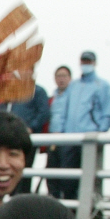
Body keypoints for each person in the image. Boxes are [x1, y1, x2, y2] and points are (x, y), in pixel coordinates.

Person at [48, 51, 110, 200]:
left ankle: (89, 209)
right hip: (69, 139)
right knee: (67, 178)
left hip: (89, 138)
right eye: (84, 61)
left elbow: (107, 113)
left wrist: (99, 131)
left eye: (89, 61)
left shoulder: (102, 86)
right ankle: (70, 209)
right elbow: (62, 110)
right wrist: (57, 131)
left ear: (94, 63)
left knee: (89, 177)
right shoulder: (73, 85)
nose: (86, 64)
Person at [43, 66, 71, 198]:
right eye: (59, 76)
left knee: (67, 174)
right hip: (52, 141)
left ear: (70, 78)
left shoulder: (73, 97)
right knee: (51, 172)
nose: (61, 79)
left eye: (64, 76)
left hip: (68, 141)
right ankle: (53, 198)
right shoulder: (51, 98)